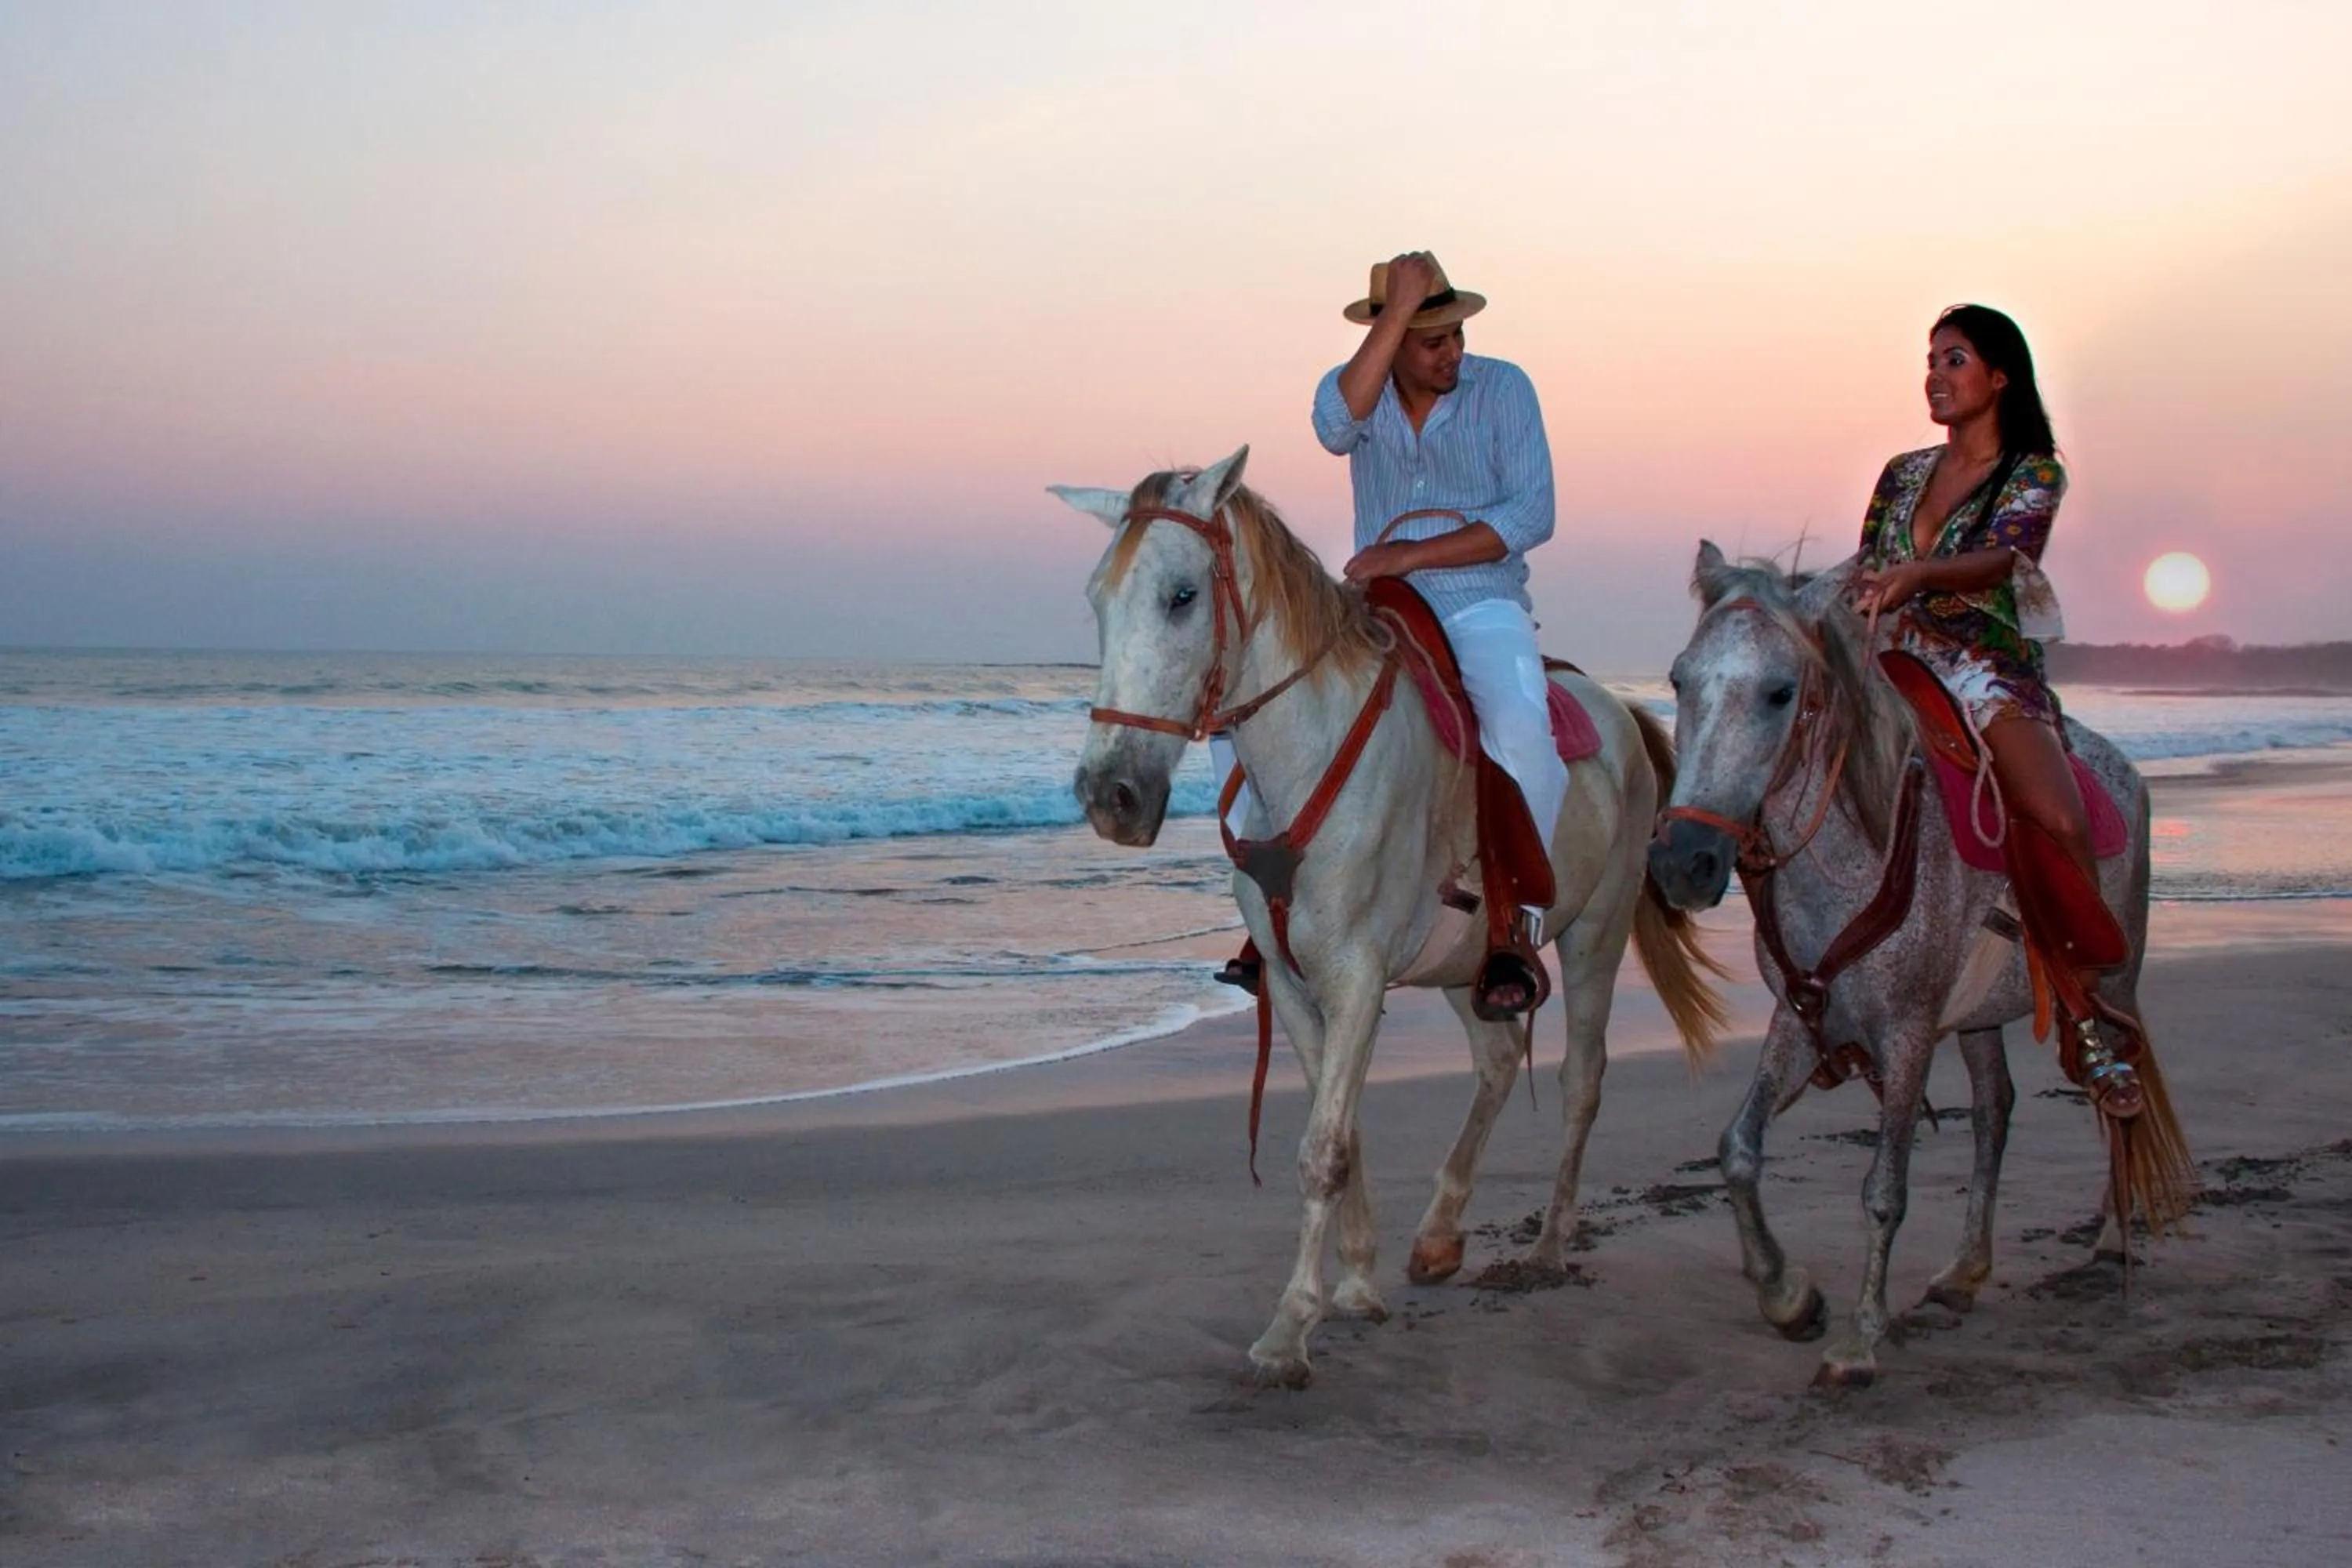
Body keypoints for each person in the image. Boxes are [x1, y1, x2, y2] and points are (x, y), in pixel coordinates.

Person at [1215, 250, 1563, 1018]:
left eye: (1458, 335)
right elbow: (1331, 427)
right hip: (1374, 607)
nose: (1453, 352)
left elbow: (1530, 514)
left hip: (1478, 599)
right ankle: (1272, 917)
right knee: (1242, 720)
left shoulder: (1504, 388)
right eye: (1433, 340)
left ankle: (1514, 923)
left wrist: (1409, 554)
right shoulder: (1359, 393)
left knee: (1520, 731)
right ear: (1393, 337)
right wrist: (1396, 313)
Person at [1848, 303, 2134, 1108]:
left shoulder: (2033, 472)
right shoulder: (1902, 472)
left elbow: (2007, 556)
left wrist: (1918, 575)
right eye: (1931, 360)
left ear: (2000, 377)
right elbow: (1869, 560)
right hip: (1889, 652)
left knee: (2062, 815)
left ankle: (2083, 1002)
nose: (1935, 375)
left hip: (1982, 666)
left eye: (1955, 359)